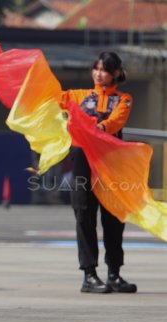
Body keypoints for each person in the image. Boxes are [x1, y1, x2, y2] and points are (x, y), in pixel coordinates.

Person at [61, 52, 136, 294]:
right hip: (83, 162)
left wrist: (95, 128)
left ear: (115, 73)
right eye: (96, 68)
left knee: (113, 219)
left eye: (104, 70)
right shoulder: (76, 96)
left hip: (111, 164)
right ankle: (89, 275)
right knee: (84, 216)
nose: (98, 74)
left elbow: (115, 123)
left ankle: (114, 273)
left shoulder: (123, 99)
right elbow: (49, 98)